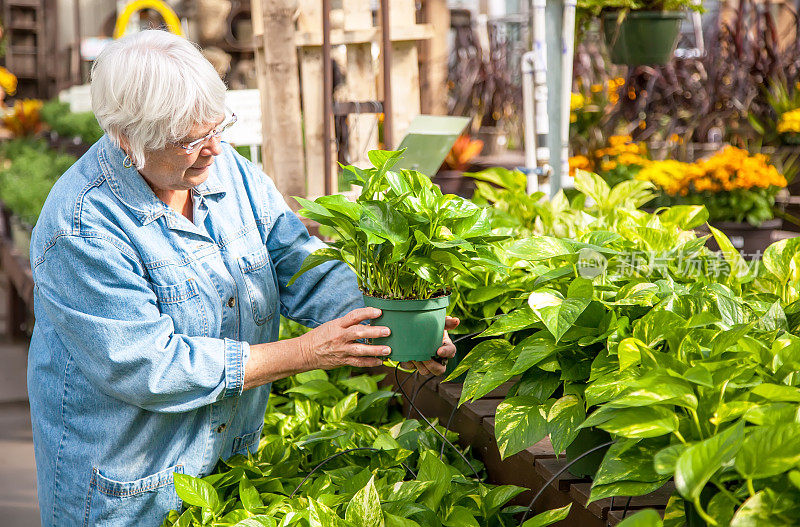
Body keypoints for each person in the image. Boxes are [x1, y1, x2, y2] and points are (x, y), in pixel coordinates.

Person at [27, 30, 457, 526]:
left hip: (226, 465)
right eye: (190, 140)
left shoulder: (228, 171)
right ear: (128, 138)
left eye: (217, 127)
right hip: (131, 492)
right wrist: (305, 352)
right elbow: (150, 366)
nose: (213, 149)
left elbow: (298, 263)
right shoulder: (82, 226)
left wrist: (390, 328)